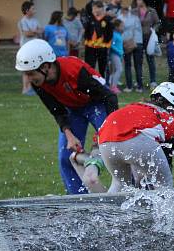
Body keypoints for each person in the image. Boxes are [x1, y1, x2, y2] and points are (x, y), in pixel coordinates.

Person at [15, 39, 118, 194]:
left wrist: (107, 129)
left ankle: (129, 192)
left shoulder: (75, 72)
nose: (28, 79)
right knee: (65, 158)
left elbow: (110, 97)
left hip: (97, 104)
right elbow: (56, 110)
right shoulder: (39, 82)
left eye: (30, 73)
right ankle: (78, 200)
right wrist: (69, 135)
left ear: (45, 67)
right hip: (73, 109)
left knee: (114, 148)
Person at [98, 82, 174, 192]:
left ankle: (108, 209)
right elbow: (165, 156)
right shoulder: (169, 118)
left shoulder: (136, 106)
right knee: (164, 184)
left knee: (120, 184)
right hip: (135, 139)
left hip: (104, 139)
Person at [134, 0, 160, 89]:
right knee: (138, 61)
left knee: (150, 60)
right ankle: (139, 82)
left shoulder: (152, 11)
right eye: (137, 0)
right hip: (137, 39)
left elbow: (157, 22)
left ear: (143, 0)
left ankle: (153, 81)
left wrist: (153, 30)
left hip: (149, 38)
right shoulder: (133, 11)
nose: (138, 1)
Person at [83, 1, 113, 80]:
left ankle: (102, 82)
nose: (95, 10)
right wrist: (87, 42)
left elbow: (110, 33)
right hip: (90, 47)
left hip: (102, 47)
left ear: (101, 9)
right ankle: (89, 81)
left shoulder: (106, 20)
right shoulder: (90, 19)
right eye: (94, 8)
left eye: (97, 8)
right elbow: (86, 32)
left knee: (102, 67)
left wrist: (106, 44)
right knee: (89, 66)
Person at [19, 1, 43, 95]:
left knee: (35, 67)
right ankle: (25, 88)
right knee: (26, 68)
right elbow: (26, 33)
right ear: (27, 10)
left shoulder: (35, 20)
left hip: (34, 47)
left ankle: (32, 87)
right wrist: (35, 31)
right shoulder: (22, 21)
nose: (35, 11)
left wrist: (34, 31)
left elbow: (41, 30)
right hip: (25, 48)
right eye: (33, 9)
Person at [118, 6, 144, 92]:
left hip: (133, 43)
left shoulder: (122, 18)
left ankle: (135, 86)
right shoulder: (121, 18)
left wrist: (135, 42)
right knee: (130, 65)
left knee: (135, 65)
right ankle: (134, 86)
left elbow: (138, 31)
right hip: (128, 43)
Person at [108, 19, 124, 94]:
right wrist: (119, 51)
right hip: (114, 54)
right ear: (116, 27)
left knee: (115, 70)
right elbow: (111, 45)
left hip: (118, 55)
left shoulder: (118, 34)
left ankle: (112, 86)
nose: (123, 27)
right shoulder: (114, 34)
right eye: (121, 26)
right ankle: (113, 87)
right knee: (119, 69)